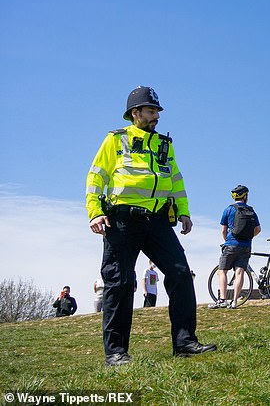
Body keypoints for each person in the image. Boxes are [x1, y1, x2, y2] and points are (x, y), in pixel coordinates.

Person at [86, 86, 216, 367]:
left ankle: (184, 342)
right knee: (120, 283)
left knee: (180, 273)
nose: (156, 115)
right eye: (151, 110)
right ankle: (116, 353)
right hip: (122, 220)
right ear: (136, 113)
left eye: (157, 110)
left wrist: (184, 212)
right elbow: (96, 177)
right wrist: (95, 213)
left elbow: (177, 182)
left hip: (157, 220)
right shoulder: (115, 140)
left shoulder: (164, 145)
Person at [210, 185, 261, 309]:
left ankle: (222, 300)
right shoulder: (251, 210)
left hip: (231, 244)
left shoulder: (228, 210)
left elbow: (223, 230)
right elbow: (258, 229)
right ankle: (234, 302)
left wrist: (228, 241)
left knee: (222, 271)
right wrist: (248, 238)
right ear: (245, 196)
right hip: (246, 246)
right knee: (240, 272)